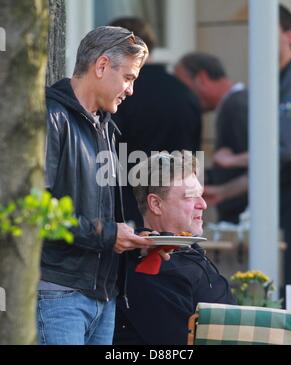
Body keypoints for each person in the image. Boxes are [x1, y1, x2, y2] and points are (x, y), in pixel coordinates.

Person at [37, 26, 162, 345]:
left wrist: (138, 241)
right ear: (102, 65)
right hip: (58, 295)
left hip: (102, 298)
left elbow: (103, 221)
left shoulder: (106, 126)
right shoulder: (51, 118)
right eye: (130, 78)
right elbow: (36, 212)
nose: (131, 90)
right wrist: (109, 235)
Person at [178, 5, 291, 287]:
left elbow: (288, 149)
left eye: (266, 33)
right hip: (284, 205)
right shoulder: (274, 81)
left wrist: (233, 161)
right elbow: (270, 169)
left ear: (286, 34)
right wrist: (223, 191)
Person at [113, 152, 236, 345]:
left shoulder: (186, 249)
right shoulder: (150, 264)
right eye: (190, 197)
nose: (203, 204)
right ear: (156, 204)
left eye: (201, 195)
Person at [109, 17, 203, 227]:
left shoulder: (120, 92)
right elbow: (193, 155)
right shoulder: (185, 93)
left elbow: (109, 150)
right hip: (177, 207)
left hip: (128, 207)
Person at [175, 53, 248, 223]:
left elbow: (266, 165)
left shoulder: (235, 107)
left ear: (201, 79)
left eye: (183, 87)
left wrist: (224, 189)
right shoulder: (234, 104)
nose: (181, 95)